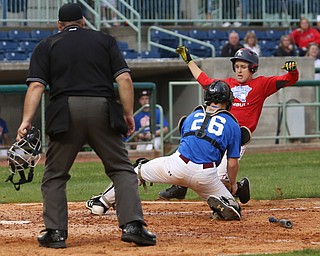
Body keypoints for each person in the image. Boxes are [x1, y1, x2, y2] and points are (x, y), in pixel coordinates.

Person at [15, 3, 156, 248]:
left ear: (59, 24)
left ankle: (56, 233)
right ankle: (133, 225)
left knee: (55, 175)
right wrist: (128, 113)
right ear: (83, 21)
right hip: (103, 107)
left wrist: (26, 121)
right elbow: (123, 78)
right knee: (122, 169)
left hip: (65, 111)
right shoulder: (105, 40)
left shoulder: (47, 44)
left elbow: (36, 86)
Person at [157, 46, 299, 201]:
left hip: (236, 139)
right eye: (237, 66)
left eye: (243, 67)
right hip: (217, 136)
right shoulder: (226, 84)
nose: (239, 70)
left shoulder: (262, 84)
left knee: (217, 178)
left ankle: (237, 190)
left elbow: (289, 80)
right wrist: (189, 61)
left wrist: (293, 71)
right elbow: (204, 81)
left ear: (253, 68)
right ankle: (180, 187)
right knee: (190, 158)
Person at [86, 80, 243, 221]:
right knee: (235, 208)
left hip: (176, 165)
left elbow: (187, 143)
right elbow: (232, 164)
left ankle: (102, 202)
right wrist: (232, 183)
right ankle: (224, 205)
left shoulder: (193, 115)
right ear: (228, 101)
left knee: (138, 171)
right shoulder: (232, 124)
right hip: (206, 176)